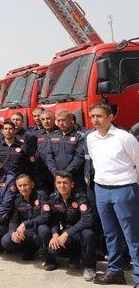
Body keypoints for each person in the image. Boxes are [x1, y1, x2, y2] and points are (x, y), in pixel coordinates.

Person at [86, 103, 139, 286]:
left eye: (99, 116)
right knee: (110, 233)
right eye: (92, 116)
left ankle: (138, 275)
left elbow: (138, 162)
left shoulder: (124, 137)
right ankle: (115, 271)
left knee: (132, 234)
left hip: (124, 189)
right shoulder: (91, 138)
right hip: (101, 189)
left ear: (110, 117)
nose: (95, 120)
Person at [44, 171, 98, 280]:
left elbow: (88, 219)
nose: (62, 185)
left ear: (71, 184)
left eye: (65, 182)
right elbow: (53, 219)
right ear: (55, 184)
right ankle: (75, 256)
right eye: (59, 182)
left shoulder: (80, 197)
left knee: (88, 234)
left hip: (82, 231)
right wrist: (55, 234)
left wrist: (66, 234)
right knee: (53, 249)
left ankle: (89, 266)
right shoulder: (53, 198)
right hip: (68, 233)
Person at [0, 174, 50, 261]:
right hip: (26, 232)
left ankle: (49, 258)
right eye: (20, 186)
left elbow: (46, 216)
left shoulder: (41, 196)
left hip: (38, 228)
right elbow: (14, 220)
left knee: (44, 230)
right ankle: (28, 250)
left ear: (32, 185)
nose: (22, 188)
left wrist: (25, 224)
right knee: (6, 240)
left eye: (25, 185)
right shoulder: (17, 200)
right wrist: (13, 232)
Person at [47, 110, 85, 191]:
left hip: (74, 177)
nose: (61, 123)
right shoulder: (53, 135)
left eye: (63, 120)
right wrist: (55, 172)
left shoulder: (80, 136)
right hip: (57, 177)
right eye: (58, 120)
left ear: (71, 121)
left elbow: (79, 157)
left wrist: (67, 173)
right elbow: (49, 156)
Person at [33, 111, 59, 193]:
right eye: (43, 119)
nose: (46, 121)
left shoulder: (60, 133)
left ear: (53, 119)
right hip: (42, 171)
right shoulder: (38, 134)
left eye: (48, 118)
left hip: (56, 170)